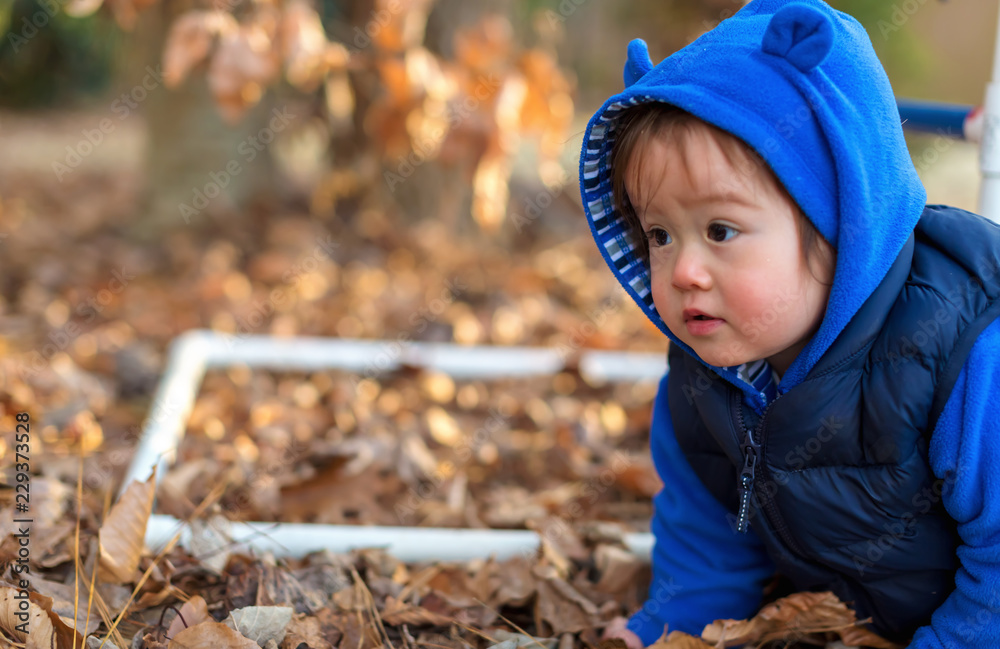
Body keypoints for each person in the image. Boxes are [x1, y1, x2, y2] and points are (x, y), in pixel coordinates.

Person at [578, 1, 1000, 647]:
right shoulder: (705, 376)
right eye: (659, 234)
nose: (684, 268)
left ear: (840, 226)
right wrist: (675, 628)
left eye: (721, 230)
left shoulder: (962, 357)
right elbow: (707, 528)